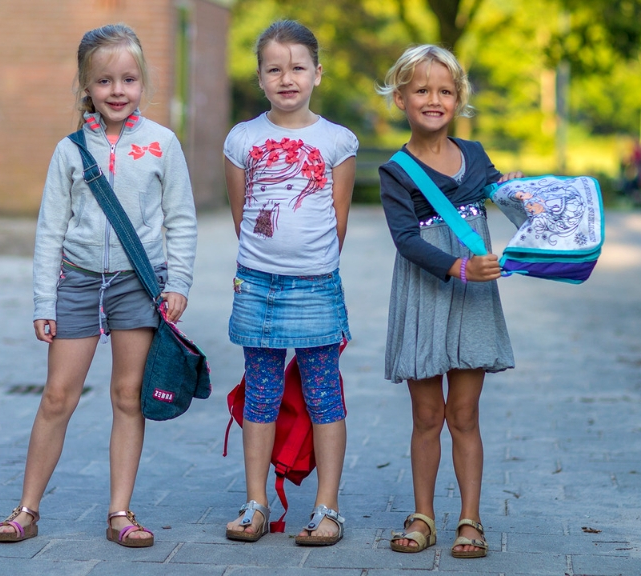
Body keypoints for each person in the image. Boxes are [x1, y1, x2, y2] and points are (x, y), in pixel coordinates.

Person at [0, 23, 198, 548]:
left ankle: (120, 513)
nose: (118, 91)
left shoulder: (161, 145)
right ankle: (26, 509)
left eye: (128, 79)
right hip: (77, 284)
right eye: (105, 81)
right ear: (87, 86)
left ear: (143, 83)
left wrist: (180, 282)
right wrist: (43, 300)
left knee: (128, 395)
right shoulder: (70, 151)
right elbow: (49, 232)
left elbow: (183, 220)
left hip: (137, 284)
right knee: (58, 395)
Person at [375, 45, 519, 559]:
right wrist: (458, 266)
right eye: (421, 90)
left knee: (465, 415)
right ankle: (423, 515)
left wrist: (526, 195)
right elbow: (405, 240)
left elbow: (504, 197)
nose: (433, 99)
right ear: (401, 98)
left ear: (458, 99)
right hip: (425, 293)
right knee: (427, 416)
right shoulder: (395, 170)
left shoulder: (476, 155)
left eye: (444, 90)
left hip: (474, 300)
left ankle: (470, 519)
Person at [222, 20, 357, 546]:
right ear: (259, 77)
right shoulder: (244, 138)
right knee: (261, 392)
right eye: (274, 69)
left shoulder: (337, 141)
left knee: (324, 394)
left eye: (297, 67)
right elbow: (241, 215)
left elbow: (337, 222)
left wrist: (310, 266)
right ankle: (255, 503)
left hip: (317, 285)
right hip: (256, 285)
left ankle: (327, 508)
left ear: (317, 73)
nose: (287, 78)